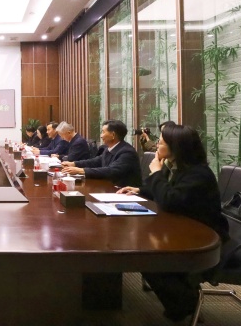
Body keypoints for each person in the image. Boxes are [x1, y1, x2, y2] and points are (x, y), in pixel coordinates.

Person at [116, 124, 229, 322]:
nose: (156, 145)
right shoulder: (176, 166)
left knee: (146, 256)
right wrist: (139, 190)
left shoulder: (198, 174)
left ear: (176, 147)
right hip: (180, 228)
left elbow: (169, 200)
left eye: (161, 142)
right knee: (143, 250)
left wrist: (156, 173)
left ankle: (186, 303)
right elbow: (165, 192)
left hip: (202, 237)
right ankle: (181, 299)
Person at [61, 120, 141, 187]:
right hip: (109, 188)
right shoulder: (108, 149)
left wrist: (81, 170)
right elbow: (96, 161)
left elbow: (111, 171)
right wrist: (73, 164)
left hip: (125, 193)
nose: (101, 136)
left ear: (113, 135)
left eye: (103, 132)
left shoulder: (127, 152)